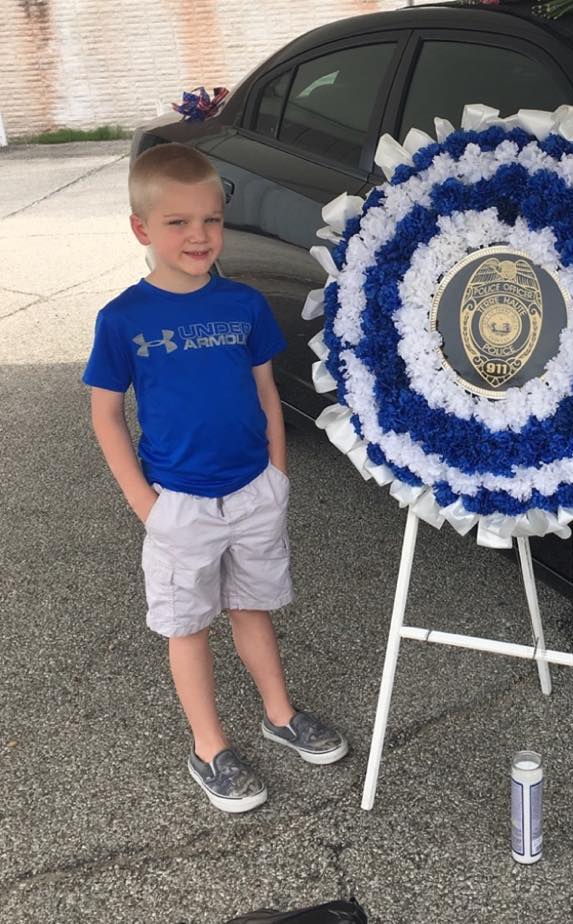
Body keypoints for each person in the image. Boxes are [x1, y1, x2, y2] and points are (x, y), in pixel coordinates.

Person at [83, 143, 347, 813]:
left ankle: (279, 713)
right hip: (179, 505)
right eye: (177, 223)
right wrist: (148, 509)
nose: (198, 235)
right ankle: (209, 747)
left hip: (254, 491)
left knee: (251, 607)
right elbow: (107, 417)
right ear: (143, 229)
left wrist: (278, 477)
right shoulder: (122, 319)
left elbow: (266, 396)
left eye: (210, 220)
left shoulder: (245, 304)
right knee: (188, 625)